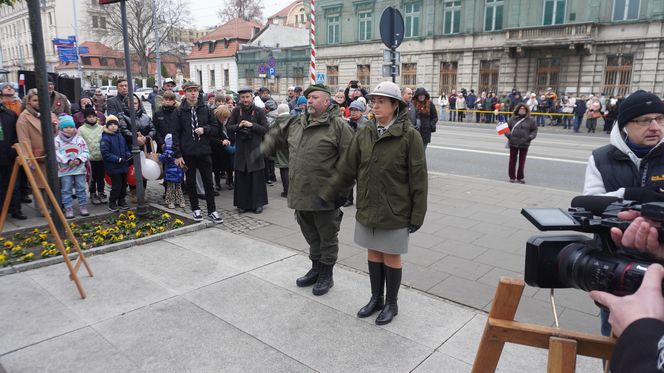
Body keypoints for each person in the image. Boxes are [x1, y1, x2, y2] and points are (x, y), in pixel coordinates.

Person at [319, 81, 427, 325]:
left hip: (395, 208)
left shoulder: (410, 136)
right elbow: (348, 166)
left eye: (381, 102)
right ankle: (376, 298)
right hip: (368, 204)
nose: (375, 106)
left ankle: (392, 303)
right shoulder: (366, 132)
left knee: (391, 255)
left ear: (395, 105)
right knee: (373, 253)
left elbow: (419, 178)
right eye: (373, 101)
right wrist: (331, 191)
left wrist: (417, 214)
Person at [583, 90, 664, 339]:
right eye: (643, 120)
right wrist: (633, 194)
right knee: (615, 340)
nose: (654, 126)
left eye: (660, 119)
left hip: (661, 267)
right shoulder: (601, 158)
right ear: (625, 125)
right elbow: (588, 205)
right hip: (616, 267)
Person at [261, 83, 354, 296]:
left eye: (314, 97)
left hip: (325, 195)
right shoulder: (297, 123)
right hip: (301, 193)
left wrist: (341, 192)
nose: (309, 101)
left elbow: (351, 162)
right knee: (311, 235)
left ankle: (326, 275)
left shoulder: (339, 126)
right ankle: (315, 269)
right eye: (308, 97)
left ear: (327, 101)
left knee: (327, 237)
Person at [172, 82, 223, 223]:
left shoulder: (205, 109)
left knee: (208, 181)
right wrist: (177, 154)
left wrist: (204, 129)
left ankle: (212, 210)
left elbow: (215, 128)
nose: (193, 93)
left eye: (195, 91)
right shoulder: (179, 111)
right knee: (191, 182)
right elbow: (175, 134)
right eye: (190, 91)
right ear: (185, 93)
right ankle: (196, 209)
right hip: (187, 153)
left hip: (204, 151)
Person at [227, 86, 269, 214]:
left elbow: (265, 129)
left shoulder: (259, 111)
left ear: (252, 97)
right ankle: (242, 204)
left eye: (247, 97)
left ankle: (258, 204)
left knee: (256, 179)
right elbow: (229, 128)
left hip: (255, 149)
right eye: (243, 97)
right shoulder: (235, 111)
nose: (245, 100)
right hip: (241, 150)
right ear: (240, 98)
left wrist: (252, 125)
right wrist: (239, 126)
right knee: (242, 179)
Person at [16, 89, 59, 192]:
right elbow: (24, 140)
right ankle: (42, 208)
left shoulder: (50, 114)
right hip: (37, 157)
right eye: (35, 100)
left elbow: (58, 134)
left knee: (55, 186)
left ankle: (56, 207)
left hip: (54, 156)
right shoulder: (24, 118)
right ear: (29, 101)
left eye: (40, 100)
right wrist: (28, 159)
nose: (38, 103)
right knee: (40, 187)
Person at [54, 115, 89, 218]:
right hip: (65, 169)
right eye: (66, 127)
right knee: (66, 188)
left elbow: (86, 151)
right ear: (61, 128)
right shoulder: (57, 140)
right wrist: (67, 160)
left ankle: (83, 206)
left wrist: (79, 159)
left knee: (81, 188)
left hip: (79, 168)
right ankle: (68, 207)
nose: (69, 129)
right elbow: (56, 153)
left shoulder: (79, 139)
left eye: (71, 127)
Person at [0, 99, 27, 220]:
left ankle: (15, 209)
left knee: (13, 184)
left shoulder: (10, 115)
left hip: (9, 155)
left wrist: (14, 146)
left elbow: (17, 134)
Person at [100, 115, 131, 212]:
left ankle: (121, 200)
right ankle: (112, 202)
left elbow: (125, 147)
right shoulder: (105, 138)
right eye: (111, 124)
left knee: (123, 185)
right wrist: (117, 159)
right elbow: (105, 153)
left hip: (123, 165)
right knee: (116, 186)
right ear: (107, 126)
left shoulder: (120, 136)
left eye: (115, 124)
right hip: (113, 166)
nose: (113, 126)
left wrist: (127, 154)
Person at [78, 106, 107, 205]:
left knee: (101, 177)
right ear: (85, 118)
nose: (91, 118)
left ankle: (101, 192)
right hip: (89, 159)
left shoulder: (101, 128)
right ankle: (93, 193)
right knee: (91, 177)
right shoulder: (81, 130)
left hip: (101, 157)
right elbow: (79, 144)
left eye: (93, 116)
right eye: (89, 117)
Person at [504, 103, 537, 183]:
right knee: (512, 161)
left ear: (526, 110)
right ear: (518, 109)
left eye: (523, 109)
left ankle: (520, 177)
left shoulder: (531, 120)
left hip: (524, 143)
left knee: (522, 161)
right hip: (513, 142)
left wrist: (529, 138)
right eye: (520, 108)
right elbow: (505, 128)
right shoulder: (512, 119)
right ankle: (512, 177)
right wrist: (509, 136)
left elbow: (534, 130)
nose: (522, 110)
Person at [159, 134, 185, 209]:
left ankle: (176, 201)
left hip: (176, 172)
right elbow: (162, 159)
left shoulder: (177, 151)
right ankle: (173, 201)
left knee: (176, 187)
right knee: (174, 188)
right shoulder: (168, 151)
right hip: (173, 173)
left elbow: (182, 162)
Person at [212, 105, 234, 191]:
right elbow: (212, 137)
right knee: (216, 167)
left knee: (229, 166)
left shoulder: (227, 121)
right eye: (223, 117)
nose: (225, 119)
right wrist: (222, 141)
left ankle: (230, 181)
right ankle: (217, 183)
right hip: (217, 148)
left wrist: (228, 140)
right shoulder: (214, 122)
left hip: (226, 146)